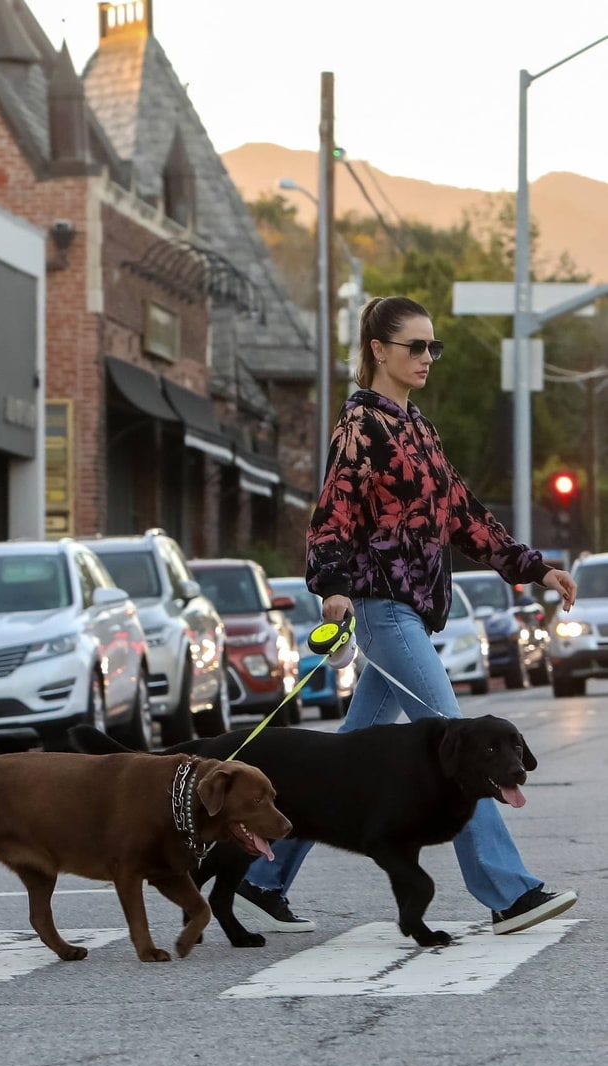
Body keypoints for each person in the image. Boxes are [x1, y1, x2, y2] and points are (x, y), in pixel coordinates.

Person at [235, 294, 578, 937]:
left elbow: (465, 515)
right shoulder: (361, 428)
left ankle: (261, 875)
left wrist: (533, 567)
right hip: (383, 612)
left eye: (432, 347)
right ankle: (508, 892)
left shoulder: (416, 429)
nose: (427, 357)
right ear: (379, 351)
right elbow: (331, 519)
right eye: (414, 346)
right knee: (461, 747)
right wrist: (333, 587)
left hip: (410, 617)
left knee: (335, 763)